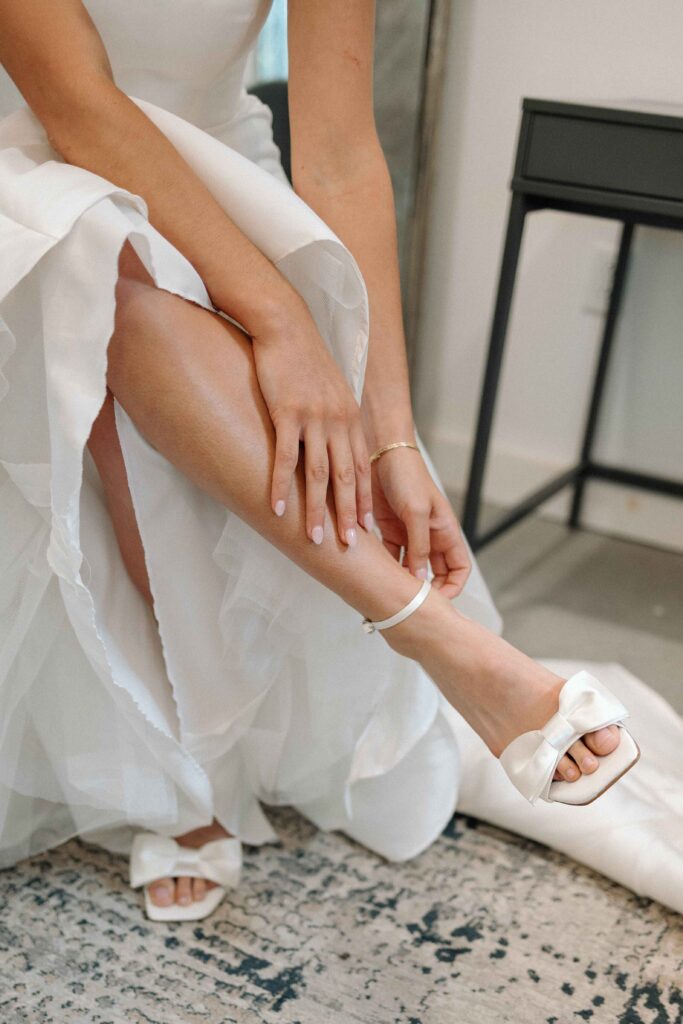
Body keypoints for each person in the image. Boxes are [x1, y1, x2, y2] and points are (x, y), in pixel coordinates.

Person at [0, 0, 637, 923]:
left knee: (131, 288)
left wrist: (393, 434)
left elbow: (338, 150)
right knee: (101, 268)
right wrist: (280, 321)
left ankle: (209, 746)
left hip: (224, 177)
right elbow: (77, 104)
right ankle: (441, 641)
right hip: (35, 160)